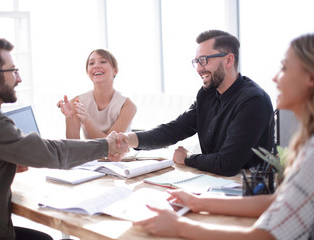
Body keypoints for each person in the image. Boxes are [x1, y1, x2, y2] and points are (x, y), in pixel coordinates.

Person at [134, 33, 314, 240]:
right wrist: (197, 202)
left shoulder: (254, 100)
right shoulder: (307, 145)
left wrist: (180, 227)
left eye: (284, 68)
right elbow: (279, 201)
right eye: (197, 61)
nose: (275, 78)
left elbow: (264, 236)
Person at [0, 38, 128, 240]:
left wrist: (4, 161)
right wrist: (106, 145)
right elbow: (54, 153)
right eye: (13, 71)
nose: (19, 79)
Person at [118, 29, 274, 176]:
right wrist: (128, 139)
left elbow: (227, 164)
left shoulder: (253, 101)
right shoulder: (207, 94)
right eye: (197, 61)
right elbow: (175, 129)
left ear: (228, 60)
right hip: (212, 181)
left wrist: (187, 158)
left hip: (245, 188)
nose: (199, 68)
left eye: (204, 60)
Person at [57, 49, 137, 139]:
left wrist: (87, 119)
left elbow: (110, 147)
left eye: (103, 61)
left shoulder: (128, 106)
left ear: (115, 70)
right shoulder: (77, 102)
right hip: (89, 153)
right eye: (91, 63)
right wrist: (70, 118)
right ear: (88, 72)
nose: (96, 66)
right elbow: (73, 147)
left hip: (121, 153)